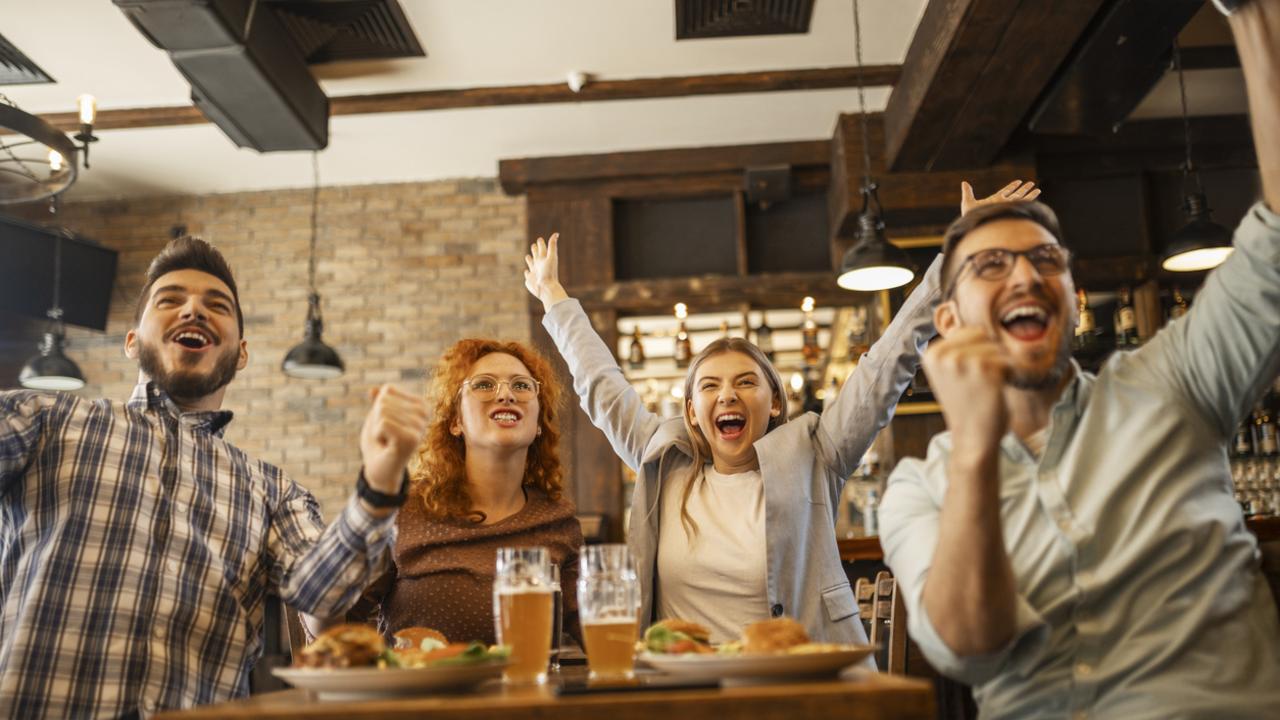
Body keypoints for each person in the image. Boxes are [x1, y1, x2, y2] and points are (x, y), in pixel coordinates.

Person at [878, 3, 1280, 717]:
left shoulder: (1176, 381)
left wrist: (1254, 19)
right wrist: (974, 449)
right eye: (991, 266)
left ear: (1074, 293)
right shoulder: (919, 487)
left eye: (1044, 260)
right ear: (948, 320)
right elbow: (968, 647)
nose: (1026, 278)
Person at [519, 182, 1034, 645]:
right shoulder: (664, 458)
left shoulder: (816, 450)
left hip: (804, 681)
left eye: (746, 382)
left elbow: (886, 363)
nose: (728, 396)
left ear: (775, 402)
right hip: (688, 689)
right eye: (710, 386)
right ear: (693, 412)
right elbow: (601, 386)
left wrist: (959, 253)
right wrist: (554, 298)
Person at [0, 237, 429, 718]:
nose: (193, 311)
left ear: (241, 353)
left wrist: (378, 481)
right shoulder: (42, 418)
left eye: (216, 305)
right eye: (170, 300)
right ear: (132, 341)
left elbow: (323, 595)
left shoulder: (273, 490)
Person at [344, 339, 584, 646]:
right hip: (423, 690)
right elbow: (335, 614)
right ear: (456, 421)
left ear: (539, 423)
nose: (506, 394)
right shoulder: (406, 509)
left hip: (527, 691)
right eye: (484, 385)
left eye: (522, 386)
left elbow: (591, 621)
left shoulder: (556, 519)